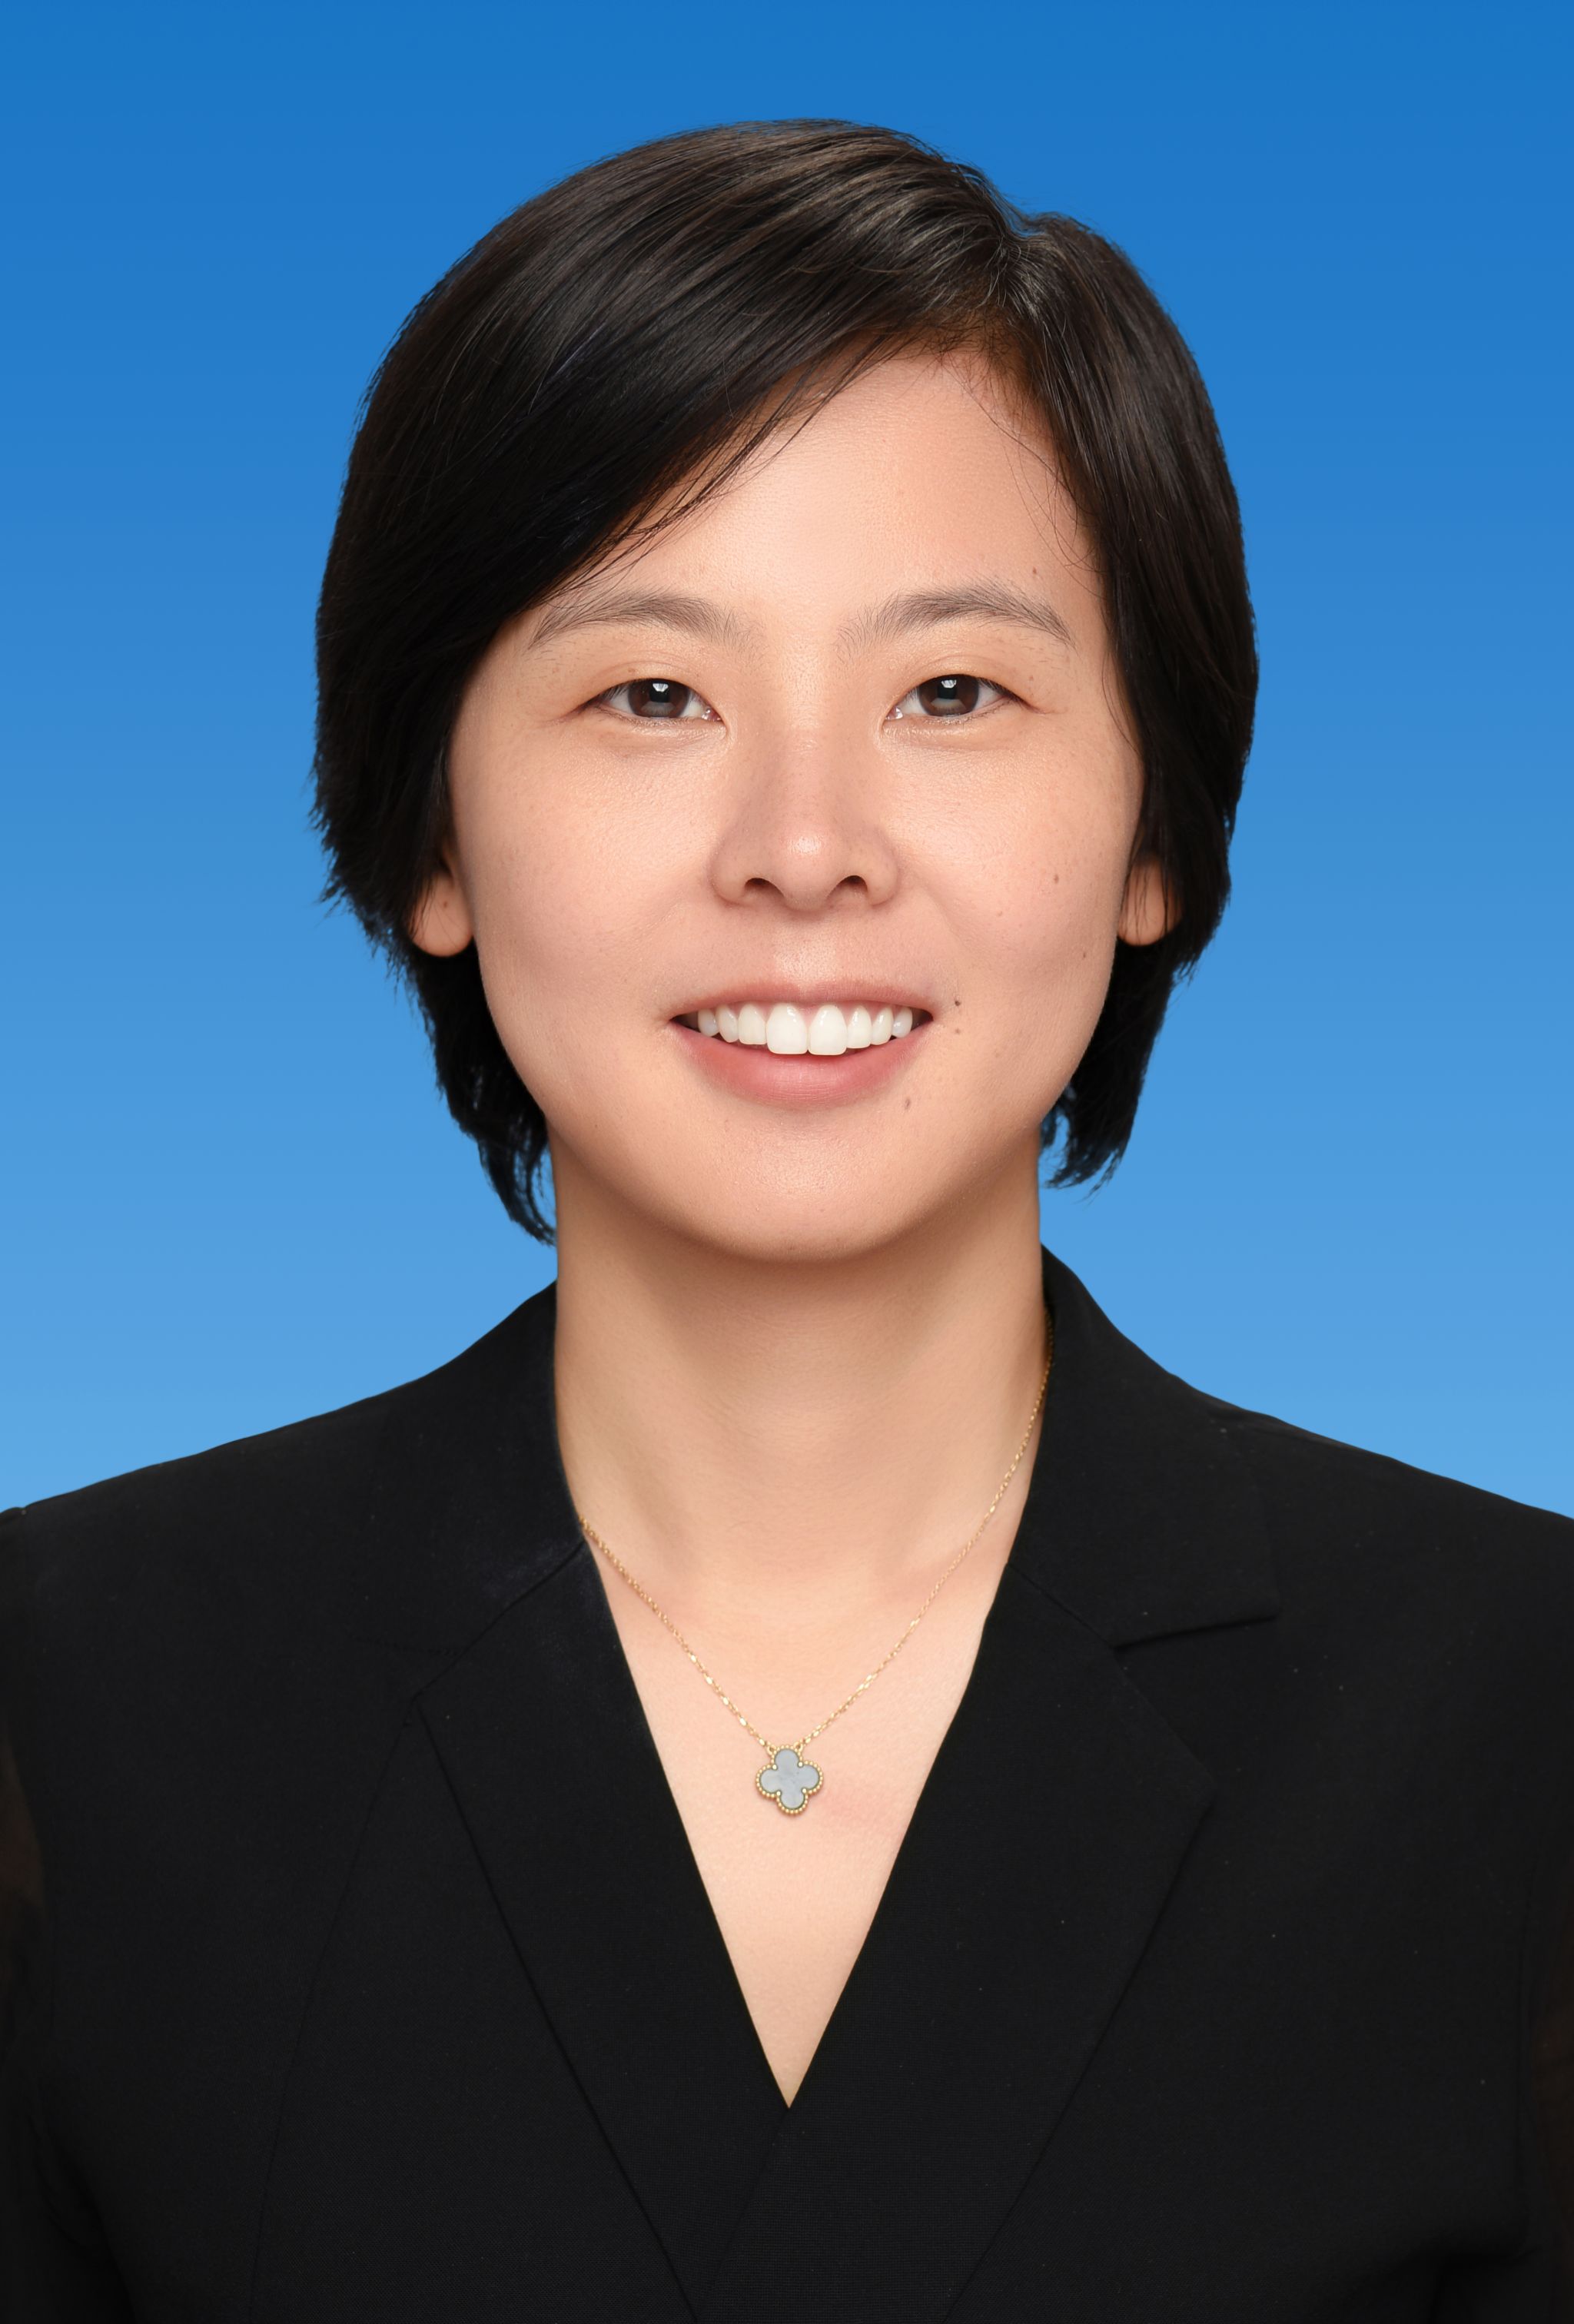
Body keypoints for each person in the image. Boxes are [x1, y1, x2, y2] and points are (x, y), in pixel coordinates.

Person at [2, 118, 1571, 2322]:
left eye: (953, 693)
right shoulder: (64, 1696)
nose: (805, 844)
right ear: (431, 833)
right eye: (652, 693)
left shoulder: (1517, 1709)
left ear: (1157, 829)